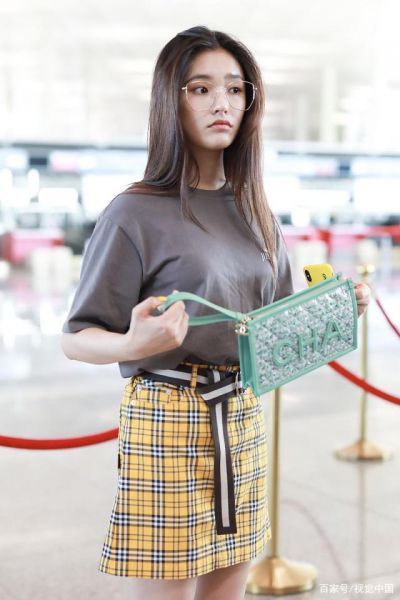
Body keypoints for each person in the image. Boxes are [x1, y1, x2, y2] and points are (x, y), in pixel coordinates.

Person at [61, 25, 370, 600]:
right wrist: (131, 345)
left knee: (232, 577)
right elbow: (76, 336)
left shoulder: (257, 210)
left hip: (241, 411)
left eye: (234, 88)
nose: (221, 102)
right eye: (200, 89)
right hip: (168, 414)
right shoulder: (134, 212)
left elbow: (275, 325)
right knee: (170, 587)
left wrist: (333, 311)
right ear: (170, 101)